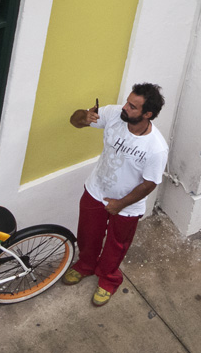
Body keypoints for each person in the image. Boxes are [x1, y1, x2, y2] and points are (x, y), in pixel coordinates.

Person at [64, 83, 169, 306]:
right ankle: (85, 265)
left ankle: (108, 279)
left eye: (132, 106)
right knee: (87, 235)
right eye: (127, 102)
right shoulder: (114, 114)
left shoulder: (156, 148)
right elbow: (75, 121)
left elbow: (150, 184)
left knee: (116, 245)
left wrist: (120, 204)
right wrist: (85, 117)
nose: (125, 107)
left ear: (147, 114)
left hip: (126, 206)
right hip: (96, 190)